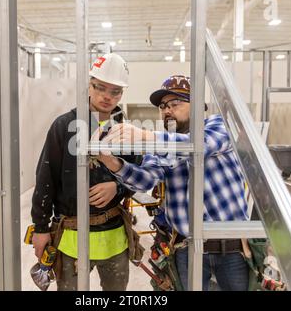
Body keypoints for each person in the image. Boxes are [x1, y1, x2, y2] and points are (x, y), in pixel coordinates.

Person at [98, 75, 250, 291]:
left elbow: (199, 146)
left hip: (232, 250)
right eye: (163, 106)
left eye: (175, 103)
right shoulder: (161, 144)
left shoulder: (218, 125)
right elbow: (144, 180)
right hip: (187, 249)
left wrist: (144, 136)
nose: (167, 110)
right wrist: (111, 162)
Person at [31, 53, 142, 291]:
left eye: (115, 91)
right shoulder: (63, 126)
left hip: (113, 236)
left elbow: (140, 175)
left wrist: (118, 186)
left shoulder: (127, 130)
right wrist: (40, 229)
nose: (107, 96)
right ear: (89, 85)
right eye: (100, 87)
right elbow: (45, 179)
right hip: (71, 235)